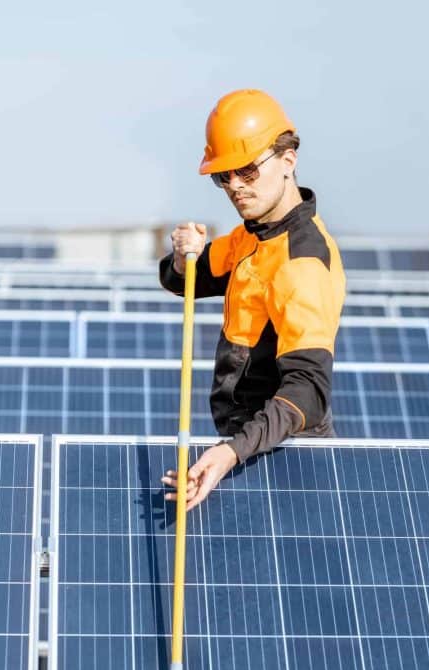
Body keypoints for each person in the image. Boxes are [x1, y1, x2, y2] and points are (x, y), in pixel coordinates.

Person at [160, 88, 346, 509]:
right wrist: (182, 257)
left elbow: (308, 392)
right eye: (222, 176)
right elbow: (184, 280)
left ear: (288, 161)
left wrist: (229, 453)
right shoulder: (251, 236)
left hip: (291, 457)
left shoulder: (302, 263)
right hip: (249, 447)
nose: (234, 186)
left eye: (246, 170)